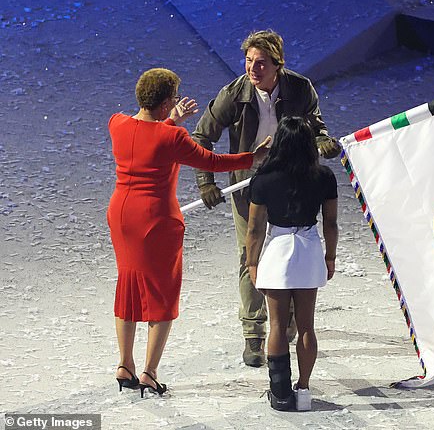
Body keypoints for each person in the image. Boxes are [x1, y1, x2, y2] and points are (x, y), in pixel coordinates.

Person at [107, 68, 269, 398]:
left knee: (128, 285)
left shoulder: (117, 124)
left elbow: (147, 139)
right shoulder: (173, 138)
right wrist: (254, 156)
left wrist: (170, 119)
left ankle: (125, 364)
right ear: (167, 101)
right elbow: (212, 162)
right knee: (161, 295)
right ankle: (149, 373)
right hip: (156, 221)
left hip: (121, 215)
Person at [191, 29, 341, 367]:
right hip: (249, 186)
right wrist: (206, 181)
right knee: (251, 252)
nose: (252, 69)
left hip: (292, 182)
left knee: (293, 249)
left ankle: (288, 319)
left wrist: (323, 143)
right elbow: (201, 136)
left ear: (278, 65)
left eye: (260, 63)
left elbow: (316, 129)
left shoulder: (300, 89)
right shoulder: (234, 94)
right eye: (248, 61)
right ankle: (254, 332)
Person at [246, 116, 339, 411]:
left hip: (278, 248)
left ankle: (280, 392)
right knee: (307, 326)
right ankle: (303, 389)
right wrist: (330, 256)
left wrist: (251, 262)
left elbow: (254, 228)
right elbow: (332, 223)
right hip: (309, 248)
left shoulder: (263, 178)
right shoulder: (323, 177)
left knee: (276, 325)